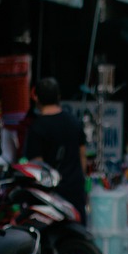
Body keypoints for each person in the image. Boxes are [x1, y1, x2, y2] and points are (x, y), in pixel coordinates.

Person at [23, 78, 88, 223]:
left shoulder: (37, 128)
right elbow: (82, 157)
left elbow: (36, 165)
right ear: (58, 96)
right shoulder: (74, 122)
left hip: (51, 196)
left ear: (36, 97)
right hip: (75, 191)